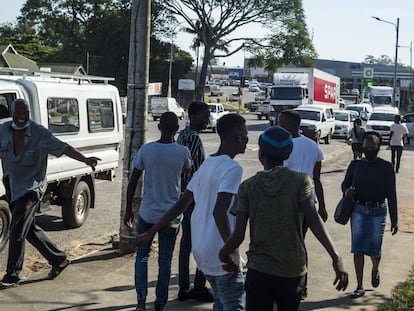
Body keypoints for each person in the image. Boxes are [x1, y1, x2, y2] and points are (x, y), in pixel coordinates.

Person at [219, 126, 348, 311]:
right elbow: (313, 219)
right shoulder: (301, 181)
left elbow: (238, 235)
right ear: (287, 155)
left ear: (260, 153)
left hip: (259, 269)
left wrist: (225, 253)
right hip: (292, 270)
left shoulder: (248, 187)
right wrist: (336, 257)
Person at [136, 114, 248, 311]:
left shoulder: (207, 164)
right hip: (221, 255)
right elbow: (219, 212)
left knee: (221, 304)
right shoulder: (232, 169)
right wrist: (229, 252)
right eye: (246, 134)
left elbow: (181, 206)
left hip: (202, 253)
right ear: (238, 137)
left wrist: (151, 232)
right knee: (234, 305)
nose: (247, 139)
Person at [0, 99, 100, 289]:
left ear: (28, 113)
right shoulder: (3, 130)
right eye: (16, 114)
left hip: (31, 188)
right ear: (11, 113)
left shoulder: (40, 134)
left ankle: (12, 275)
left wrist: (85, 160)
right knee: (29, 230)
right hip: (12, 186)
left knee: (16, 231)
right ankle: (59, 259)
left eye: (24, 114)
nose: (20, 118)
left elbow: (64, 148)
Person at [124, 112, 192, 311]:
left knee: (142, 258)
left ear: (159, 127)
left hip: (147, 214)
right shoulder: (183, 152)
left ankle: (141, 302)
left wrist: (129, 208)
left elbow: (133, 180)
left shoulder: (147, 150)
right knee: (165, 260)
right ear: (177, 129)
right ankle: (160, 304)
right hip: (171, 216)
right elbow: (187, 169)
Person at [341, 131, 398, 299]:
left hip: (378, 212)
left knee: (374, 250)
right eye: (366, 146)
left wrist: (395, 220)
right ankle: (359, 286)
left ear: (379, 148)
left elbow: (392, 194)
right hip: (358, 210)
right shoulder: (355, 165)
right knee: (357, 249)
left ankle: (375, 268)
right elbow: (344, 184)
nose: (369, 149)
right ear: (362, 147)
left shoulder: (386, 167)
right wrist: (347, 192)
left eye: (372, 147)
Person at [278, 109, 327, 299]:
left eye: (282, 122)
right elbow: (317, 179)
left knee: (289, 244)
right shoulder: (313, 146)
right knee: (299, 243)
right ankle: (301, 285)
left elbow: (278, 176)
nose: (279, 125)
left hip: (290, 202)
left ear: (291, 125)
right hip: (309, 202)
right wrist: (321, 205)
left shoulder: (284, 146)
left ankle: (294, 284)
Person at [176, 101, 213, 302]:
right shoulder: (194, 139)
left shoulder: (182, 135)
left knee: (186, 243)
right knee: (202, 242)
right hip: (195, 197)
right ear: (195, 115)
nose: (207, 120)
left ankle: (183, 286)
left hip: (183, 195)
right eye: (205, 116)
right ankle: (198, 286)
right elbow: (195, 172)